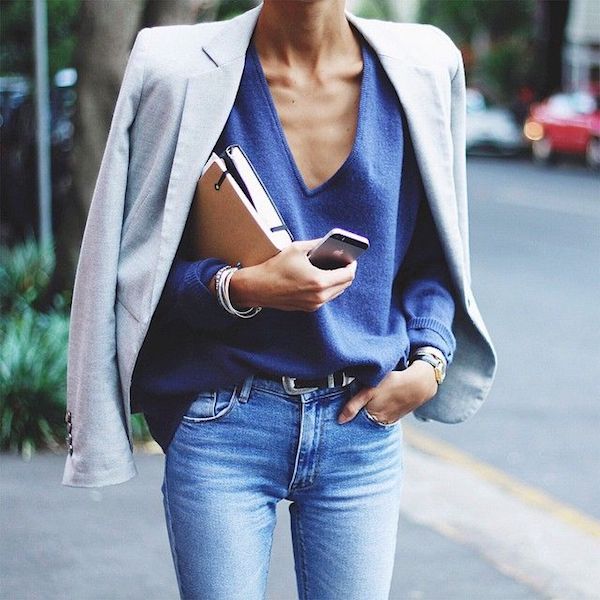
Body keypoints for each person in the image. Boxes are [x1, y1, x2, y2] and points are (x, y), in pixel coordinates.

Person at [62, 2, 497, 599]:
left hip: (361, 429)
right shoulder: (176, 69)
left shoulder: (421, 67)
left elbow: (432, 256)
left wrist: (429, 363)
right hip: (224, 424)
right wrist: (245, 288)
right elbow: (135, 270)